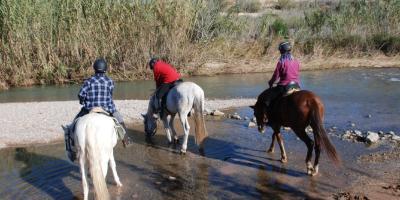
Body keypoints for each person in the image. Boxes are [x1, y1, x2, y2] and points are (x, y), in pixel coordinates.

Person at [66, 58, 133, 162]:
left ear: (95, 69)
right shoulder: (110, 82)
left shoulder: (88, 81)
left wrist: (82, 101)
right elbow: (110, 95)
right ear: (105, 69)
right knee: (120, 119)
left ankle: (72, 143)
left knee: (73, 124)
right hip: (107, 108)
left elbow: (81, 95)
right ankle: (126, 139)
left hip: (90, 109)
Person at [265, 42, 301, 107]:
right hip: (296, 85)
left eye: (280, 51)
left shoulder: (281, 62)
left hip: (284, 86)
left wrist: (271, 82)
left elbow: (276, 76)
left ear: (282, 51)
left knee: (268, 99)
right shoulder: (296, 61)